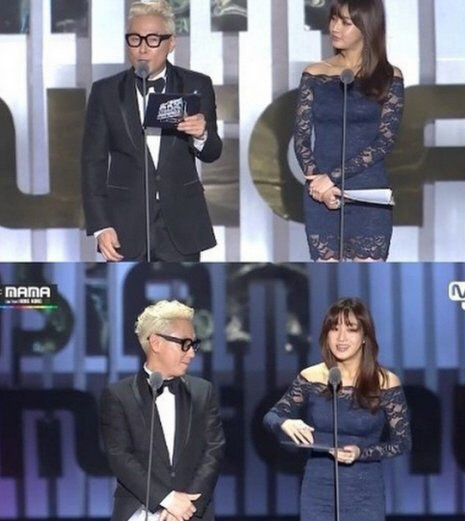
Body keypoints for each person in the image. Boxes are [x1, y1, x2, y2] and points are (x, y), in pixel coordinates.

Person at [82, 0, 222, 262]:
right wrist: (101, 225)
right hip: (124, 224)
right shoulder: (105, 92)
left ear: (171, 43)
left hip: (181, 223)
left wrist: (201, 134)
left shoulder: (196, 84)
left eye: (153, 40)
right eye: (135, 39)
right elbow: (92, 162)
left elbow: (212, 152)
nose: (143, 49)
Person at [264, 297, 411, 521]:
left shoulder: (385, 381)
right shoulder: (312, 376)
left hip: (365, 492)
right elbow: (271, 416)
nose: (341, 337)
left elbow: (402, 442)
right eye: (334, 329)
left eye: (351, 329)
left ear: (365, 336)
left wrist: (361, 452)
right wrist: (284, 422)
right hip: (318, 491)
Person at [294, 0, 404, 262]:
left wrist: (332, 178)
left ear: (367, 27)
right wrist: (318, 183)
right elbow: (301, 138)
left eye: (345, 22)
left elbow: (384, 142)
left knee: (367, 274)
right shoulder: (315, 73)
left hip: (368, 194)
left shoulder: (389, 77)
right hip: (321, 195)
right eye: (333, 19)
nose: (335, 28)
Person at [100, 300, 225, 521]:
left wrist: (186, 507)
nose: (192, 353)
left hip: (192, 512)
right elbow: (120, 456)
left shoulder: (202, 391)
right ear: (156, 343)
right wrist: (167, 499)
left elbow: (213, 450)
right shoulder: (119, 395)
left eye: (194, 345)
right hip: (138, 512)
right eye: (185, 344)